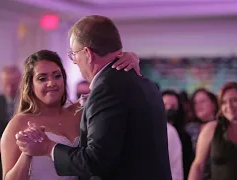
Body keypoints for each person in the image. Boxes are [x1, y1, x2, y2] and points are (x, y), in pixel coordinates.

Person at [15, 15, 171, 180]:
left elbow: (96, 160)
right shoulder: (146, 83)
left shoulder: (106, 90)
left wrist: (47, 147)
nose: (75, 61)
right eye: (42, 78)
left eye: (74, 54)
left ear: (87, 53)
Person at [1, 49, 141, 180]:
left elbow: (110, 88)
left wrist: (128, 57)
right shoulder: (19, 123)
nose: (51, 83)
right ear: (30, 85)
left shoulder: (80, 111)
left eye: (57, 76)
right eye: (42, 78)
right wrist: (27, 153)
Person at [188, 82, 237, 180]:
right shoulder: (210, 129)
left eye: (234, 100)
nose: (229, 106)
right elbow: (198, 166)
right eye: (224, 102)